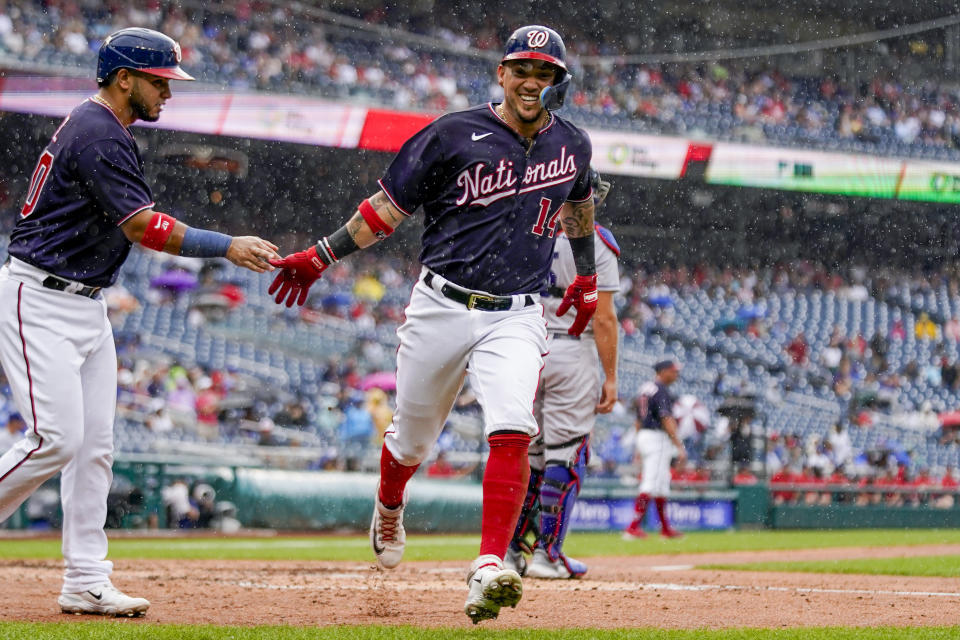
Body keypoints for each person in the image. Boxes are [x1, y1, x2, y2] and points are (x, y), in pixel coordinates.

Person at [267, 25, 596, 624]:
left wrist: (588, 275)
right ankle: (390, 501)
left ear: (558, 82)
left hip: (518, 312)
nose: (532, 81)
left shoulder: (571, 143)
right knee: (412, 439)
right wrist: (320, 255)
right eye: (522, 69)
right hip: (442, 304)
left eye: (544, 72)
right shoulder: (452, 133)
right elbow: (384, 212)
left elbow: (579, 204)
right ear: (501, 73)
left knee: (514, 425)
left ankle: (490, 564)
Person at [0, 28, 278, 618]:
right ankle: (82, 576)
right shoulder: (100, 130)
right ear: (123, 78)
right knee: (56, 439)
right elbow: (142, 227)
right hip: (40, 298)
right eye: (159, 82)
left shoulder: (105, 126)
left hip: (86, 303)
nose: (168, 94)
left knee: (94, 448)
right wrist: (225, 244)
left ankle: (85, 579)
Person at [504, 169, 618, 580]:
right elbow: (603, 319)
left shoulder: (525, 230)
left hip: (525, 346)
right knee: (566, 454)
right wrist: (611, 376)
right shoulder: (597, 242)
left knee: (528, 457)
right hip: (572, 346)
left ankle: (511, 550)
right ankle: (548, 555)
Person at [622, 359, 687, 539]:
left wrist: (637, 444)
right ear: (663, 371)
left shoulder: (646, 388)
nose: (676, 375)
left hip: (644, 434)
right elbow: (666, 419)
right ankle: (633, 527)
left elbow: (637, 419)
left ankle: (665, 528)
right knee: (651, 482)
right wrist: (679, 446)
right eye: (673, 371)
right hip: (656, 437)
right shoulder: (660, 389)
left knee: (661, 484)